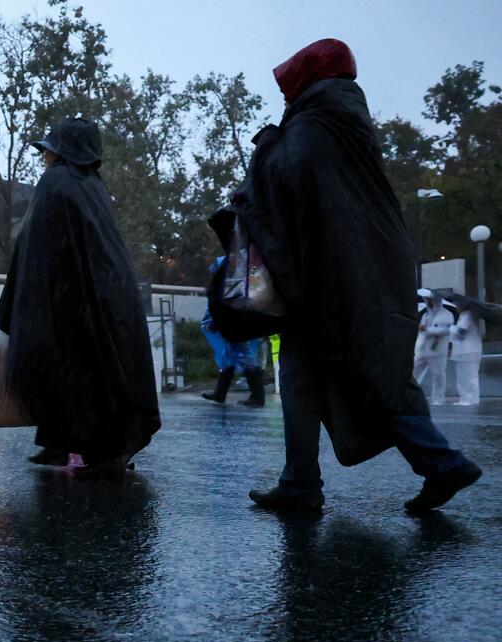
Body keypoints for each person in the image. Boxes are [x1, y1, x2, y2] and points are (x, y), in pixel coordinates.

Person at [208, 38, 481, 515]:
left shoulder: (314, 127)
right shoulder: (347, 123)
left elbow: (282, 185)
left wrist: (268, 146)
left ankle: (441, 461)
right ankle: (301, 482)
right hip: (360, 273)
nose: (283, 96)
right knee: (324, 374)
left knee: (367, 379)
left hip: (330, 282)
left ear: (306, 78)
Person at [0, 122, 159, 474]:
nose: (43, 155)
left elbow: (31, 246)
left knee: (58, 369)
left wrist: (11, 310)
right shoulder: (92, 186)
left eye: (48, 149)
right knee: (92, 373)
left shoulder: (55, 183)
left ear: (63, 150)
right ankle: (64, 443)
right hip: (105, 295)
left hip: (70, 301)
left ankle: (101, 453)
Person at [200, 259, 265, 406]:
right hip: (235, 324)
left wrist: (215, 322)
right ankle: (220, 393)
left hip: (236, 324)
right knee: (231, 355)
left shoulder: (233, 281)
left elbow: (228, 304)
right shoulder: (238, 277)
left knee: (244, 356)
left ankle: (257, 395)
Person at [413, 290, 453, 405]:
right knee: (413, 371)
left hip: (438, 351)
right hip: (423, 350)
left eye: (430, 300)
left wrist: (427, 330)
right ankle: (413, 395)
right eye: (427, 300)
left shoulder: (447, 315)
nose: (428, 302)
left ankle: (438, 399)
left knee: (438, 375)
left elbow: (445, 330)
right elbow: (421, 332)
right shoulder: (426, 315)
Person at [450, 297, 487, 406]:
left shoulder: (469, 316)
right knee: (462, 377)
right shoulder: (463, 316)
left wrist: (451, 328)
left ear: (463, 306)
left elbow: (461, 332)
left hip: (470, 351)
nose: (457, 308)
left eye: (458, 306)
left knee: (470, 376)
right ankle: (464, 398)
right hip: (462, 352)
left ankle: (472, 399)